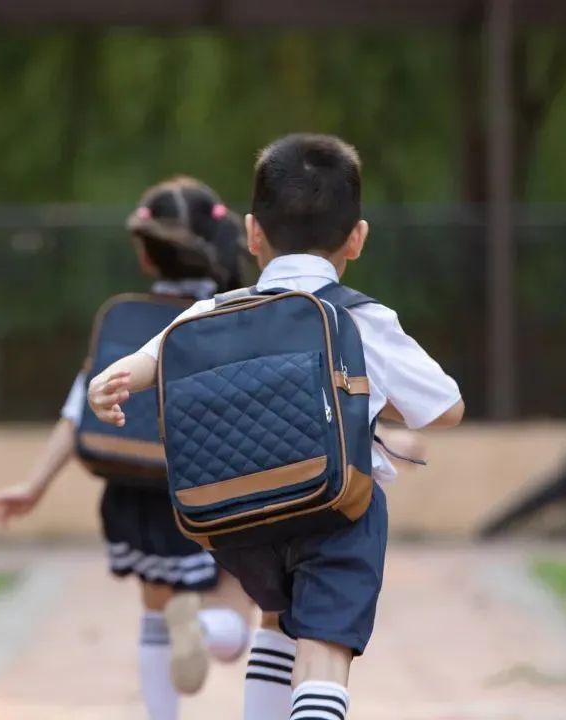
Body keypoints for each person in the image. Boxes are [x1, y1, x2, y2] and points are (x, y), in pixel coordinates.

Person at [85, 134, 464, 719]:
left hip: (240, 517)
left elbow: (146, 363)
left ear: (253, 233)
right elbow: (445, 408)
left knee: (275, 624)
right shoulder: (360, 317)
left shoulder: (212, 313)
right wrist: (365, 394)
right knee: (323, 653)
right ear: (357, 238)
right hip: (338, 510)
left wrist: (105, 385)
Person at [0, 176, 256, 720]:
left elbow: (77, 414)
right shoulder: (232, 317)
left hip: (136, 495)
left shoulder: (127, 322)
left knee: (155, 616)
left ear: (146, 255)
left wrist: (33, 486)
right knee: (237, 617)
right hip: (212, 492)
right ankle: (205, 629)